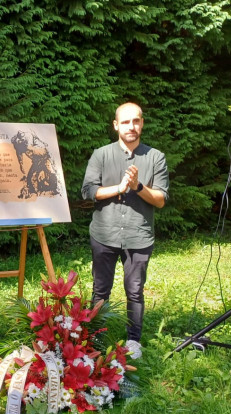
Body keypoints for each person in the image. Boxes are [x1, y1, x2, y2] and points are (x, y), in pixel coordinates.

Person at [81, 102, 169, 360]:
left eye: (136, 121)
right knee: (100, 290)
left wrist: (138, 186)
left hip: (138, 236)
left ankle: (133, 340)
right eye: (126, 121)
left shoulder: (155, 157)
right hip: (104, 234)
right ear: (116, 125)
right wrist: (119, 188)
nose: (132, 126)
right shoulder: (101, 155)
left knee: (135, 291)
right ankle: (94, 337)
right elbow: (88, 191)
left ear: (142, 123)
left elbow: (161, 199)